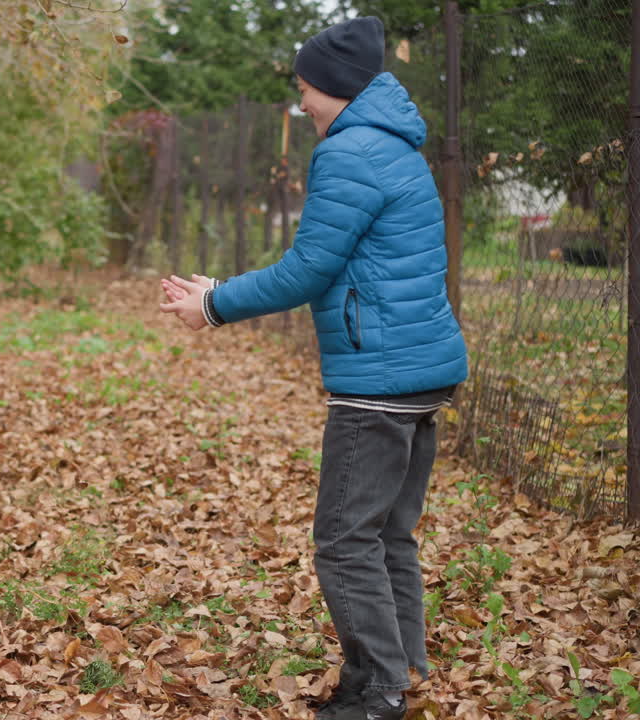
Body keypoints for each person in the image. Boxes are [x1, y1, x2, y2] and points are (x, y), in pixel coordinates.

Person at [159, 16, 467, 720]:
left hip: (380, 380)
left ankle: (381, 691)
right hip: (421, 370)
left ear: (336, 87)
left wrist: (214, 308)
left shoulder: (350, 152)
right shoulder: (393, 147)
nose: (302, 104)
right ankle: (401, 667)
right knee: (388, 532)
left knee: (343, 539)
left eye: (306, 89)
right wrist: (218, 294)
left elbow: (308, 270)